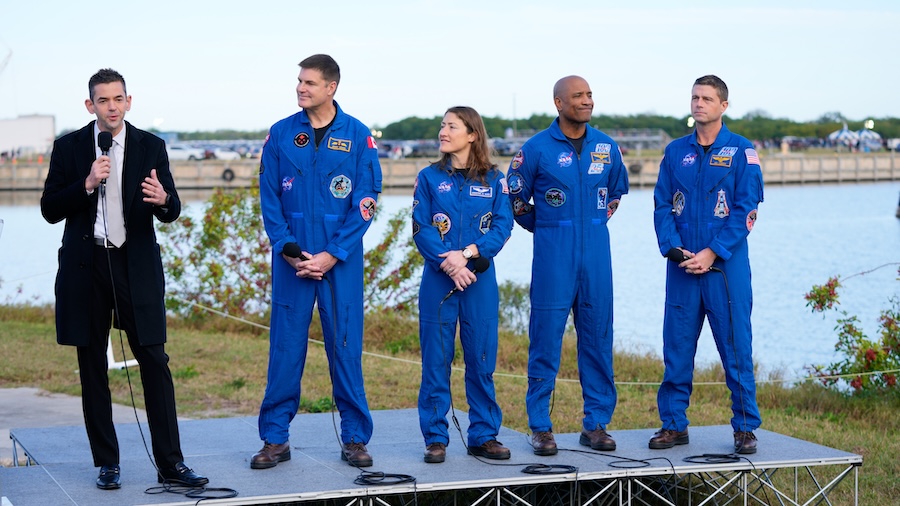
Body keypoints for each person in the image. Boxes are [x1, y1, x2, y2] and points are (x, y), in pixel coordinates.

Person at [40, 68, 208, 490]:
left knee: (154, 360)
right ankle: (107, 463)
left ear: (128, 101)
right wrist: (87, 182)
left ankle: (171, 463)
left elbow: (170, 209)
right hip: (87, 267)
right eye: (103, 100)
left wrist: (165, 200)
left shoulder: (152, 146)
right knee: (92, 364)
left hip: (135, 265)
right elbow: (49, 208)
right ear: (90, 105)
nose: (111, 107)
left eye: (118, 99)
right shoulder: (70, 147)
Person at [252, 54, 382, 469]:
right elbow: (269, 197)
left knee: (345, 349)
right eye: (299, 82)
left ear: (331, 87)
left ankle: (355, 439)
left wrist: (332, 254)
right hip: (292, 262)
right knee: (285, 351)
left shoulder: (358, 136)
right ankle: (275, 439)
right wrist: (286, 247)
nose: (300, 88)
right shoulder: (281, 134)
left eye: (309, 83)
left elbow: (366, 201)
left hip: (338, 262)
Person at [506, 76, 629, 456]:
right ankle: (541, 427)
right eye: (578, 96)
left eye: (590, 94)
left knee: (597, 340)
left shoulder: (606, 147)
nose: (587, 101)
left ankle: (596, 424)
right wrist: (546, 227)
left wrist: (589, 224)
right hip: (553, 258)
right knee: (545, 341)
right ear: (559, 103)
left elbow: (614, 195)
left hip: (596, 256)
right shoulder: (536, 149)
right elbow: (515, 197)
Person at [650, 75, 764, 454]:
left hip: (724, 269)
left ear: (723, 106)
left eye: (708, 98)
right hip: (682, 267)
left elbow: (747, 211)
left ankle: (745, 428)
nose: (699, 103)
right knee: (677, 349)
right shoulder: (674, 151)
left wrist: (713, 251)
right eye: (695, 97)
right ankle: (673, 425)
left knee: (735, 348)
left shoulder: (741, 151)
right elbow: (663, 204)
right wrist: (673, 248)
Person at [412, 106, 514, 463]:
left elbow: (503, 226)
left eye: (451, 126)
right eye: (441, 125)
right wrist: (448, 261)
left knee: (481, 359)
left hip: (479, 281)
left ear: (472, 134)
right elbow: (421, 227)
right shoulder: (427, 178)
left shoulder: (493, 179)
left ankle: (483, 435)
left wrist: (469, 253)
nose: (443, 131)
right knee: (436, 361)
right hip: (439, 280)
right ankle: (436, 438)